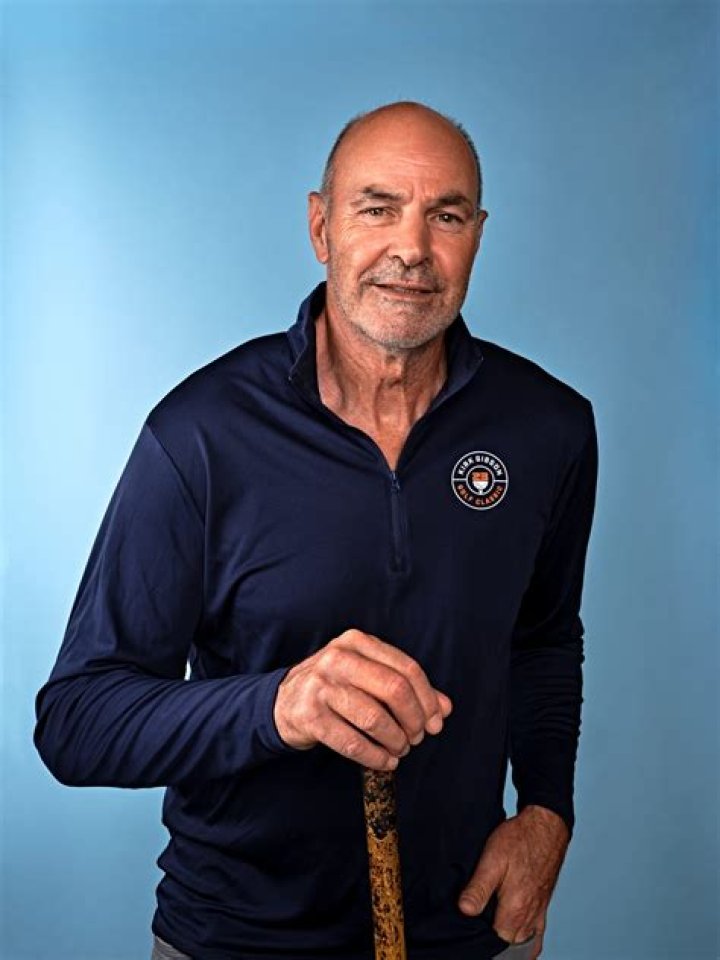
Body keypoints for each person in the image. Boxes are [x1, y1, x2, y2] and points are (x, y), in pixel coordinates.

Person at [34, 101, 598, 960]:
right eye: (378, 208)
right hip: (234, 937)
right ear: (321, 227)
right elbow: (77, 721)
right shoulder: (201, 435)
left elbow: (545, 639)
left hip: (469, 932)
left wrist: (548, 812)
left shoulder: (549, 427)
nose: (412, 248)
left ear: (478, 236)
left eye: (445, 216)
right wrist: (277, 704)